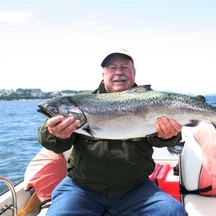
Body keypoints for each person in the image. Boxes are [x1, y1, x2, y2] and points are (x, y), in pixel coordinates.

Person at [38, 48, 186, 216]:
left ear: (134, 72)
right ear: (103, 73)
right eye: (112, 67)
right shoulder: (80, 103)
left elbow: (168, 141)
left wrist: (169, 135)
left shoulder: (151, 101)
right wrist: (54, 133)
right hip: (82, 187)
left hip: (135, 188)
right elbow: (51, 142)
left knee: (171, 212)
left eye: (124, 67)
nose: (118, 72)